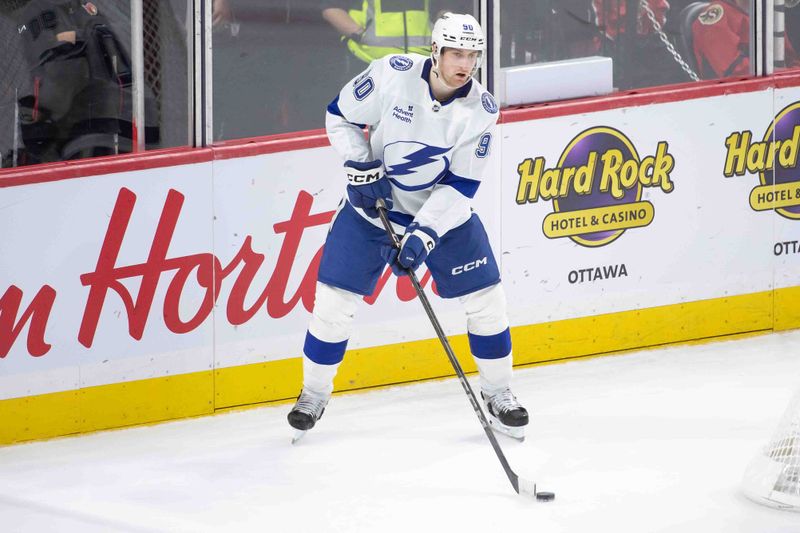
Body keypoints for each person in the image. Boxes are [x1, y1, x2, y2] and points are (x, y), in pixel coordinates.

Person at [287, 13, 529, 442]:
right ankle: (313, 395)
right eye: (456, 53)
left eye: (472, 55)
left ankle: (498, 393)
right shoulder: (392, 74)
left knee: (487, 300)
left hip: (444, 219)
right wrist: (362, 165)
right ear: (435, 51)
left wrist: (424, 233)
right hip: (370, 213)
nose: (465, 64)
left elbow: (461, 185)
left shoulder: (481, 110)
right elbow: (339, 116)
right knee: (332, 303)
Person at [692, 0, 799, 78]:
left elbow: (789, 59)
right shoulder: (716, 18)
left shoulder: (766, 13)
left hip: (774, 91)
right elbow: (736, 72)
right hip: (733, 99)